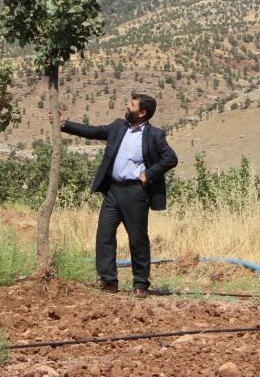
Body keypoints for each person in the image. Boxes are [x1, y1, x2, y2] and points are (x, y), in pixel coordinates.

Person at [51, 93, 177, 298]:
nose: (127, 106)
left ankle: (140, 284)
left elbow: (170, 159)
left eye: (132, 105)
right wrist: (64, 124)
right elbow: (93, 131)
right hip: (113, 191)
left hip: (136, 193)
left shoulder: (155, 135)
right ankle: (109, 281)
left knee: (137, 239)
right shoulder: (119, 127)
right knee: (104, 235)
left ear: (142, 112)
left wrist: (149, 174)